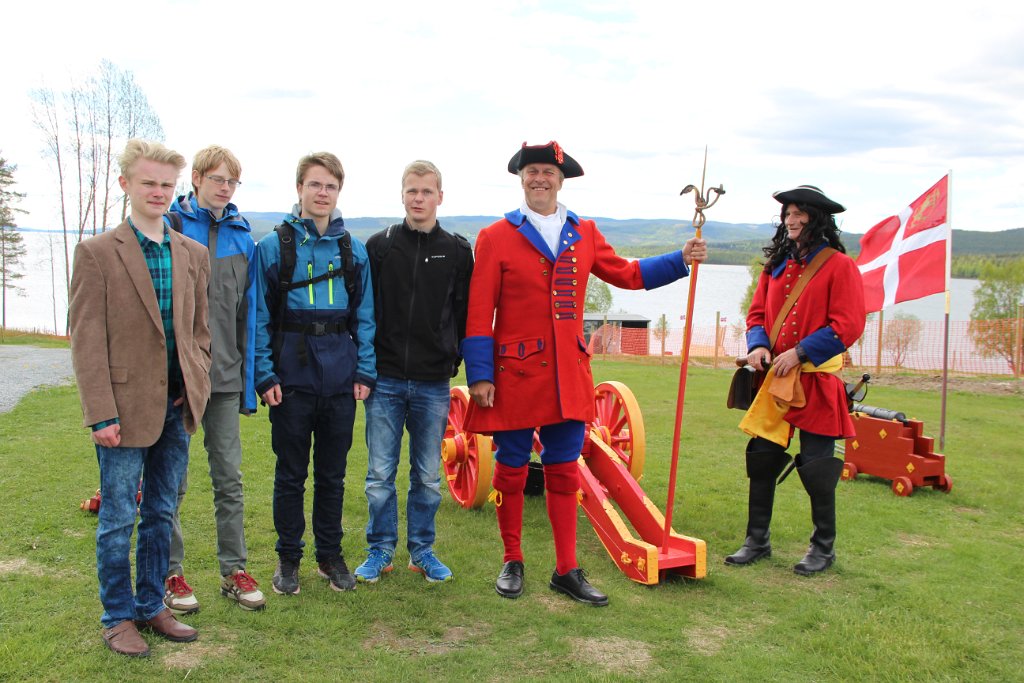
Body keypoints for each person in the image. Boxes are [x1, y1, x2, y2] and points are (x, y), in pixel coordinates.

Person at [462, 141, 707, 606]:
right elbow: (479, 313)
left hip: (568, 375)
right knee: (510, 470)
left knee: (564, 471)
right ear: (521, 178)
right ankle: (512, 560)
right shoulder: (495, 236)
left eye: (548, 172)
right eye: (532, 171)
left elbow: (628, 273)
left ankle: (566, 570)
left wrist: (680, 259)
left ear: (560, 180)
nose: (540, 179)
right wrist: (479, 374)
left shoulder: (585, 232)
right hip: (513, 374)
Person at [69, 139, 211, 657]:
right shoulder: (97, 253)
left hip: (177, 408)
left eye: (167, 184)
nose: (158, 191)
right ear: (126, 184)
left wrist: (197, 379)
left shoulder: (193, 254)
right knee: (117, 521)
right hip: (122, 413)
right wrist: (100, 413)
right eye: (148, 182)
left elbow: (199, 332)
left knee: (161, 513)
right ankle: (117, 617)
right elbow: (86, 340)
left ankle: (151, 604)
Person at [725, 185, 865, 576]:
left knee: (818, 466)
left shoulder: (840, 266)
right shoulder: (776, 265)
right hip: (776, 380)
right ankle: (756, 540)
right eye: (787, 213)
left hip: (816, 380)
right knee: (762, 458)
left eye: (799, 213)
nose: (791, 219)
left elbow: (848, 324)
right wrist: (758, 345)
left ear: (816, 218)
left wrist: (800, 353)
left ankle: (823, 548)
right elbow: (756, 315)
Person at [253, 151, 376, 595]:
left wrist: (365, 371)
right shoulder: (273, 248)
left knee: (332, 475)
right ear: (299, 189)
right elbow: (259, 317)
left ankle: (330, 556)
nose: (322, 193)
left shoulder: (353, 250)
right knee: (290, 474)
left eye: (330, 186)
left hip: (340, 379)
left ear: (338, 192)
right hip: (291, 379)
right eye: (315, 184)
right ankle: (288, 559)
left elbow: (365, 317)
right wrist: (264, 374)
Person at [354, 160, 473, 585]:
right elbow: (364, 311)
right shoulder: (379, 246)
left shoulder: (457, 251)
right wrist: (366, 366)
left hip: (433, 382)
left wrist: (452, 358)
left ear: (440, 196)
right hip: (384, 379)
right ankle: (380, 549)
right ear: (402, 195)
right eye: (412, 191)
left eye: (426, 191)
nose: (418, 198)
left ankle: (422, 550)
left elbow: (464, 313)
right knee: (379, 476)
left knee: (427, 476)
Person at [162, 145, 265, 614]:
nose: (225, 188)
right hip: (179, 379)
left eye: (232, 181)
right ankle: (170, 573)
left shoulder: (244, 238)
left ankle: (233, 571)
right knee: (172, 480)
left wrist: (248, 383)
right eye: (217, 179)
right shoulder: (172, 227)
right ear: (197, 179)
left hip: (224, 379)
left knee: (229, 479)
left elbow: (250, 315)